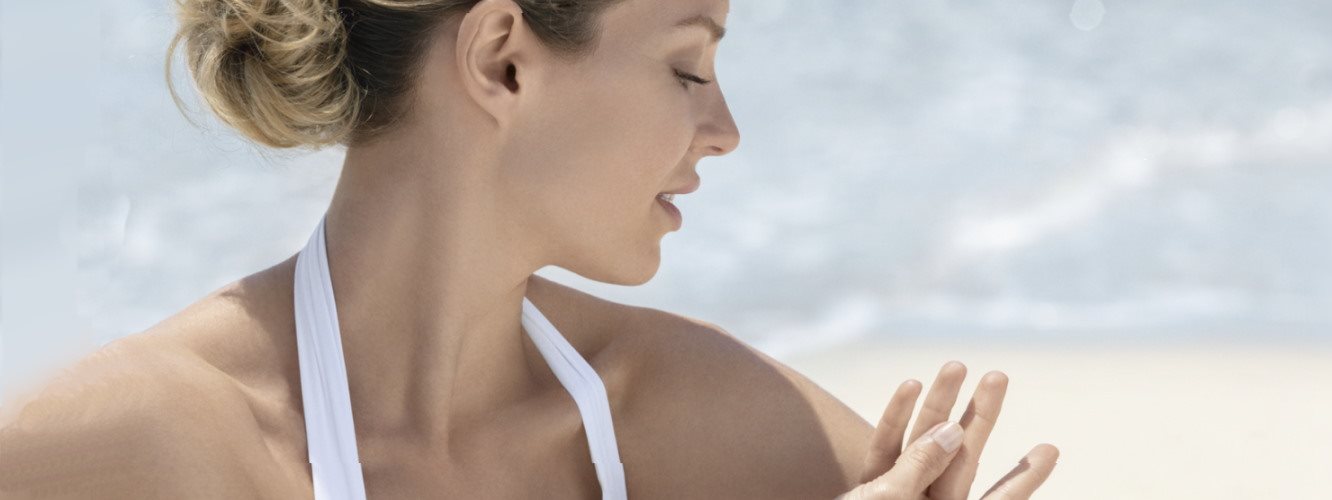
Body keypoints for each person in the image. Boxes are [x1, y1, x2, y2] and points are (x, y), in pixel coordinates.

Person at [0, 0, 1057, 497]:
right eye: (687, 68)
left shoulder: (700, 419)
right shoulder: (148, 444)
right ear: (504, 61)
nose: (725, 127)